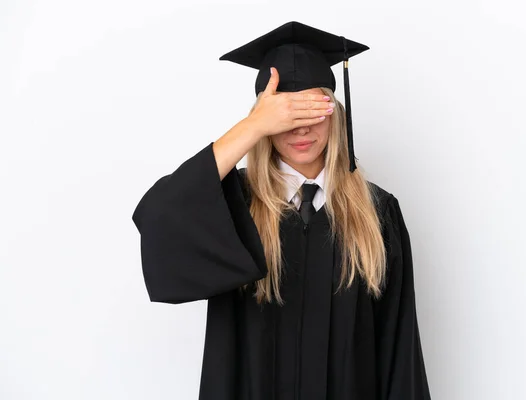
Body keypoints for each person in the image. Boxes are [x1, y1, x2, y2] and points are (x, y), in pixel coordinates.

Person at [132, 21, 431, 400]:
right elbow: (158, 217)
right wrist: (251, 126)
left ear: (335, 113)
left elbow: (399, 351)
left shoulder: (377, 213)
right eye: (285, 114)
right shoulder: (233, 203)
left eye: (312, 109)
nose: (300, 128)